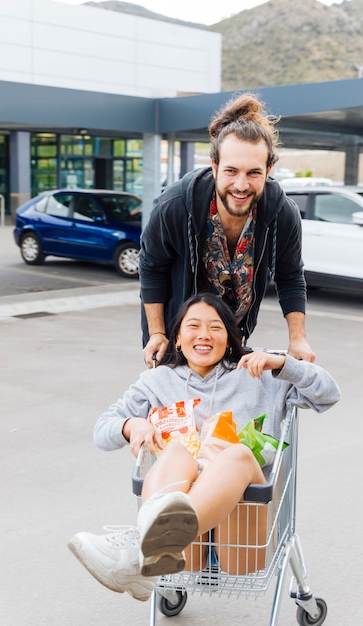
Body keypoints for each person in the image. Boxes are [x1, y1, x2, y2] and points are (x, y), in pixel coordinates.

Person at [67, 293, 340, 602]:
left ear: (229, 337)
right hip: (187, 553)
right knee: (176, 451)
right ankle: (152, 547)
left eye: (216, 327)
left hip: (240, 538)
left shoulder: (258, 373)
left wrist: (283, 363)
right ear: (178, 339)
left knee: (236, 453)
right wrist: (133, 425)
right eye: (193, 325)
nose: (204, 335)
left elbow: (328, 394)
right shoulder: (157, 382)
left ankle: (139, 553)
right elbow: (102, 430)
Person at [139, 91, 316, 369]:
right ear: (214, 165)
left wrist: (298, 338)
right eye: (231, 171)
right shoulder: (174, 206)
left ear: (269, 169)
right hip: (177, 338)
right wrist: (157, 334)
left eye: (254, 173)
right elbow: (152, 267)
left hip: (233, 337)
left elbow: (290, 275)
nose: (242, 185)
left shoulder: (282, 214)